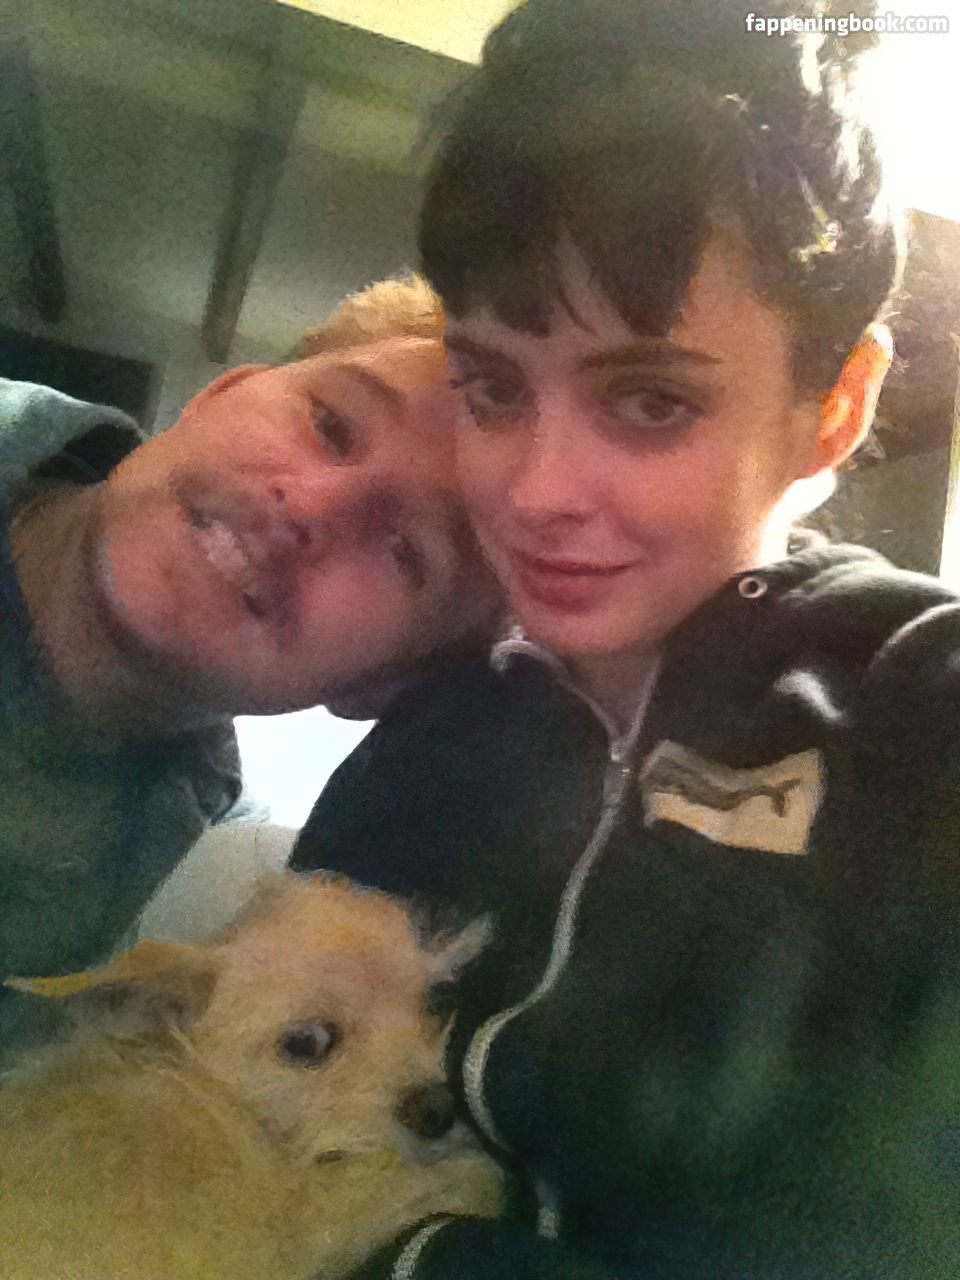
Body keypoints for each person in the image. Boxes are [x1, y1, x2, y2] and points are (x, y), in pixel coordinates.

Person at [291, 3, 960, 1276]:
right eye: (493, 388)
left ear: (834, 408)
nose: (537, 491)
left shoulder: (914, 704)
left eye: (651, 400)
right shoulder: (417, 756)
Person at [1, 275, 498, 1058]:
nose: (311, 506)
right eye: (330, 424)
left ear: (378, 686)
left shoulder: (195, 890)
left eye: (407, 552)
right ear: (221, 391)